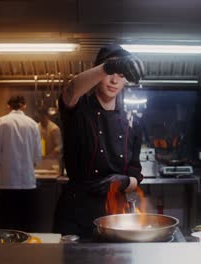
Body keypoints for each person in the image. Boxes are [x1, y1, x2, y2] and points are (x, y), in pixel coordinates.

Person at [53, 44, 145, 238]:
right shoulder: (79, 108)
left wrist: (125, 181)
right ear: (97, 72)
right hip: (77, 212)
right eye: (109, 72)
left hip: (115, 214)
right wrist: (109, 66)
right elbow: (69, 92)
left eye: (121, 74)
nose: (113, 80)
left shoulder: (132, 120)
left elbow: (135, 174)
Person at [0, 95, 42, 232]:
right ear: (24, 106)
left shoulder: (0, 122)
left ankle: (6, 253)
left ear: (8, 106)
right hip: (28, 184)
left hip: (6, 184)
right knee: (26, 228)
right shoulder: (33, 124)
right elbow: (37, 156)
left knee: (6, 227)